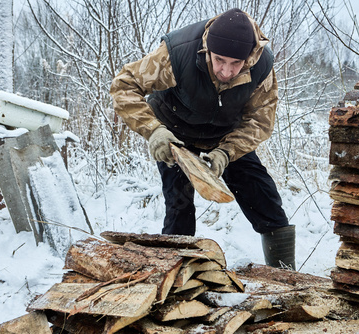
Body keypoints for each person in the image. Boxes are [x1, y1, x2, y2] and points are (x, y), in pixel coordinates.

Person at [110, 8, 295, 270]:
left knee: (266, 199)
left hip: (225, 137)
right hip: (174, 134)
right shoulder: (178, 52)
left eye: (236, 64)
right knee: (179, 207)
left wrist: (227, 152)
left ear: (249, 58)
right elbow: (124, 84)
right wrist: (153, 130)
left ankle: (288, 278)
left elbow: (260, 121)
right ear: (207, 49)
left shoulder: (261, 66)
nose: (227, 71)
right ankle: (175, 280)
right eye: (219, 60)